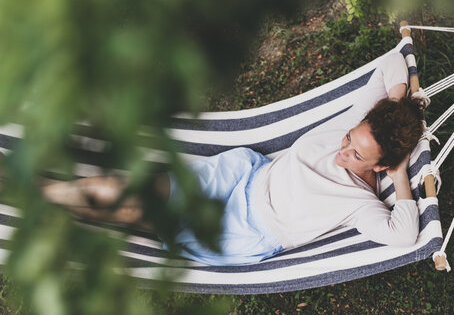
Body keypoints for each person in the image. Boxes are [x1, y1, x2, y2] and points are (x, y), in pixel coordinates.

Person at [41, 52, 425, 265]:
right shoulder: (359, 123)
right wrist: (394, 107)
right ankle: (44, 192)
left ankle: (40, 195)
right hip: (241, 173)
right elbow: (394, 60)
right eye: (347, 140)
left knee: (135, 208)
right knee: (136, 194)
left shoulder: (360, 206)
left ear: (379, 165)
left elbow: (404, 235)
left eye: (356, 154)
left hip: (246, 229)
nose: (342, 152)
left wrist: (400, 172)